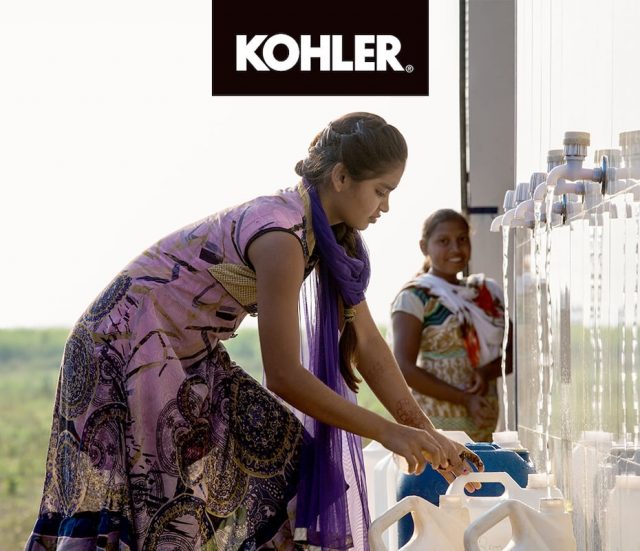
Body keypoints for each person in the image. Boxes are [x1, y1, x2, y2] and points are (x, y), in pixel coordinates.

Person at [26, 113, 481, 551]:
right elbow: (282, 375)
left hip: (185, 354)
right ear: (342, 178)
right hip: (124, 347)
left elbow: (371, 349)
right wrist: (386, 432)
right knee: (158, 508)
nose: (386, 207)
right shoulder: (281, 235)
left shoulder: (329, 238)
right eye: (381, 190)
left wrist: (431, 437)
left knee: (286, 458)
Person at [391, 209, 513, 443]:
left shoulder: (487, 293)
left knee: (480, 479)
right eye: (443, 241)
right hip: (436, 433)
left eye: (462, 239)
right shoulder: (415, 297)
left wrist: (484, 373)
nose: (455, 249)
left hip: (482, 429)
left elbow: (512, 353)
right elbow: (403, 368)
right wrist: (465, 399)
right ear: (424, 247)